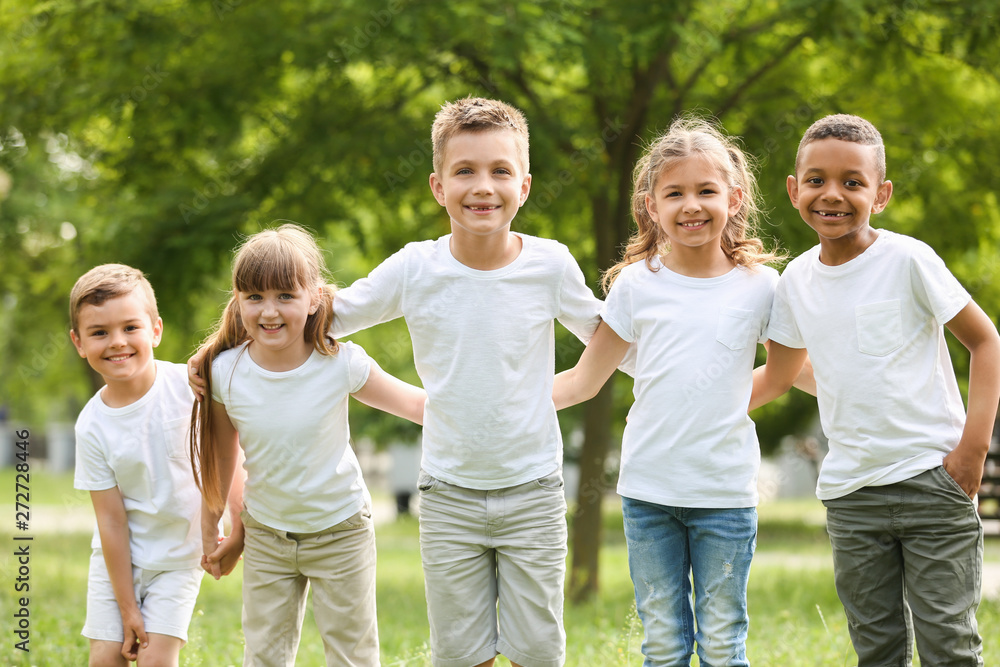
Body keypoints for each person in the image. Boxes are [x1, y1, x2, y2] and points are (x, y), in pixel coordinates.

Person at [314, 97, 604, 667]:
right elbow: (325, 319)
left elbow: (610, 337)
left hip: (534, 492)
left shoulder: (550, 265)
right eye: (464, 171)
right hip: (448, 495)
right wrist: (223, 346)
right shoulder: (415, 267)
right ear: (437, 186)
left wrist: (693, 366)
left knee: (539, 654)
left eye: (500, 171)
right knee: (460, 656)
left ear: (524, 185)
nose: (483, 186)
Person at [750, 113, 1000, 666]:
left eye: (852, 182)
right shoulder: (794, 282)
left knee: (949, 646)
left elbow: (986, 342)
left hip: (934, 481)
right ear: (794, 191)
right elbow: (780, 375)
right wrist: (687, 397)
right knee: (878, 650)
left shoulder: (908, 260)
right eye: (816, 180)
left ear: (880, 194)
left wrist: (971, 454)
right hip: (852, 497)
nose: (832, 194)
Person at [552, 116, 787, 666]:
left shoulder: (763, 289)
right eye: (674, 193)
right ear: (651, 206)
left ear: (734, 198)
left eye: (706, 191)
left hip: (725, 494)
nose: (691, 205)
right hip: (649, 492)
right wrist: (503, 405)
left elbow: (787, 374)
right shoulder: (637, 285)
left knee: (724, 643)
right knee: (662, 642)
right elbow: (586, 379)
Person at [189, 223, 425, 667]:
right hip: (266, 536)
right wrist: (211, 522)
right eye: (254, 297)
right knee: (263, 657)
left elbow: (418, 405)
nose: (269, 311)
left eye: (285, 295)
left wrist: (490, 409)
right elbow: (221, 455)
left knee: (352, 656)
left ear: (315, 297)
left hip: (341, 532)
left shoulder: (340, 363)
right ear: (237, 300)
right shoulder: (224, 372)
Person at [71, 264, 237, 666]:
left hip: (179, 560)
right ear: (79, 343)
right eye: (99, 333)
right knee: (105, 658)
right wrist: (127, 607)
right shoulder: (91, 425)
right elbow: (111, 522)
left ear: (156, 330)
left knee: (155, 659)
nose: (117, 342)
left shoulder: (190, 387)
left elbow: (228, 454)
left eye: (131, 328)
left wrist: (238, 525)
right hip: (118, 562)